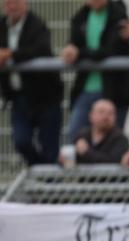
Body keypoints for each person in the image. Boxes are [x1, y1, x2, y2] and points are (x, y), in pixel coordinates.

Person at [0, 0, 62, 165]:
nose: (12, 7)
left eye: (16, 2)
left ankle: (50, 185)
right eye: (9, 3)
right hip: (19, 97)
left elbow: (41, 49)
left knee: (50, 147)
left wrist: (10, 54)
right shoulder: (2, 26)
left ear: (25, 4)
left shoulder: (37, 24)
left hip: (46, 97)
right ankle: (40, 171)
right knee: (21, 141)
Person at [60, 0, 129, 142]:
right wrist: (70, 51)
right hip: (86, 88)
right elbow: (74, 44)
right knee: (74, 137)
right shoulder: (80, 16)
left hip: (114, 89)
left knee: (113, 140)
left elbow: (111, 50)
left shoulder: (118, 14)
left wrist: (79, 53)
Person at [65, 98, 129, 164]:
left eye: (110, 113)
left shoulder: (120, 139)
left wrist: (87, 152)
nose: (105, 116)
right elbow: (69, 159)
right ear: (91, 115)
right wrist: (64, 159)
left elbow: (112, 161)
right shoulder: (82, 135)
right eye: (101, 112)